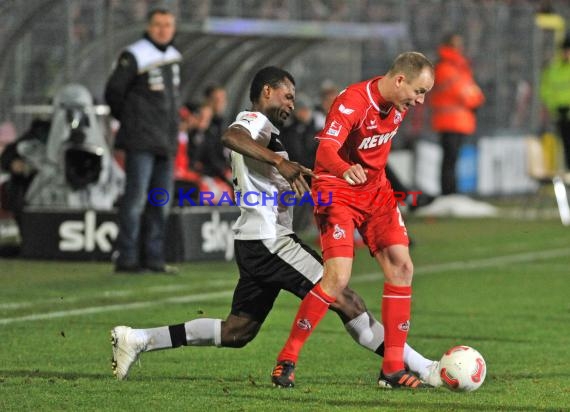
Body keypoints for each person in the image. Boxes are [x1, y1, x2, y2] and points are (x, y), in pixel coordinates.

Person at [110, 66, 441, 388]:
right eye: (287, 96)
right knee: (345, 298)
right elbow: (232, 136)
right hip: (272, 241)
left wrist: (300, 173)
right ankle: (416, 366)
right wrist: (280, 161)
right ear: (266, 91)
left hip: (253, 241)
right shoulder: (253, 121)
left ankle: (138, 339)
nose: (291, 104)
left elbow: (266, 174)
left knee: (236, 332)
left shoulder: (268, 133)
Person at [271, 52, 435, 390]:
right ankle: (287, 359)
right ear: (400, 79)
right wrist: (345, 169)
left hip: (375, 193)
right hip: (337, 188)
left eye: (425, 95)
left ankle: (391, 370)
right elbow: (326, 151)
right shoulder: (353, 101)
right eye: (419, 92)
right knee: (337, 278)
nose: (420, 101)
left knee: (402, 268)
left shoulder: (398, 106)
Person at [105, 8, 180, 274]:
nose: (163, 29)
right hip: (140, 140)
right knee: (135, 200)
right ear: (149, 27)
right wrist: (131, 121)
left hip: (165, 141)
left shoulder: (172, 56)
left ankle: (154, 259)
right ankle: (127, 258)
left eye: (168, 24)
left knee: (160, 202)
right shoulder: (134, 54)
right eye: (158, 24)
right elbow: (113, 92)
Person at [429, 33, 485, 195]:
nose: (461, 47)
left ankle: (451, 192)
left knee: (452, 159)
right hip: (450, 121)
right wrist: (476, 101)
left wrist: (475, 98)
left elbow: (469, 89)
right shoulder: (448, 67)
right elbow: (464, 91)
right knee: (450, 159)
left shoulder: (457, 66)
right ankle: (448, 193)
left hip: (457, 120)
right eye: (457, 44)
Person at [540, 34, 570, 170]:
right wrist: (554, 107)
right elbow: (546, 91)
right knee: (565, 146)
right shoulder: (554, 69)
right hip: (561, 115)